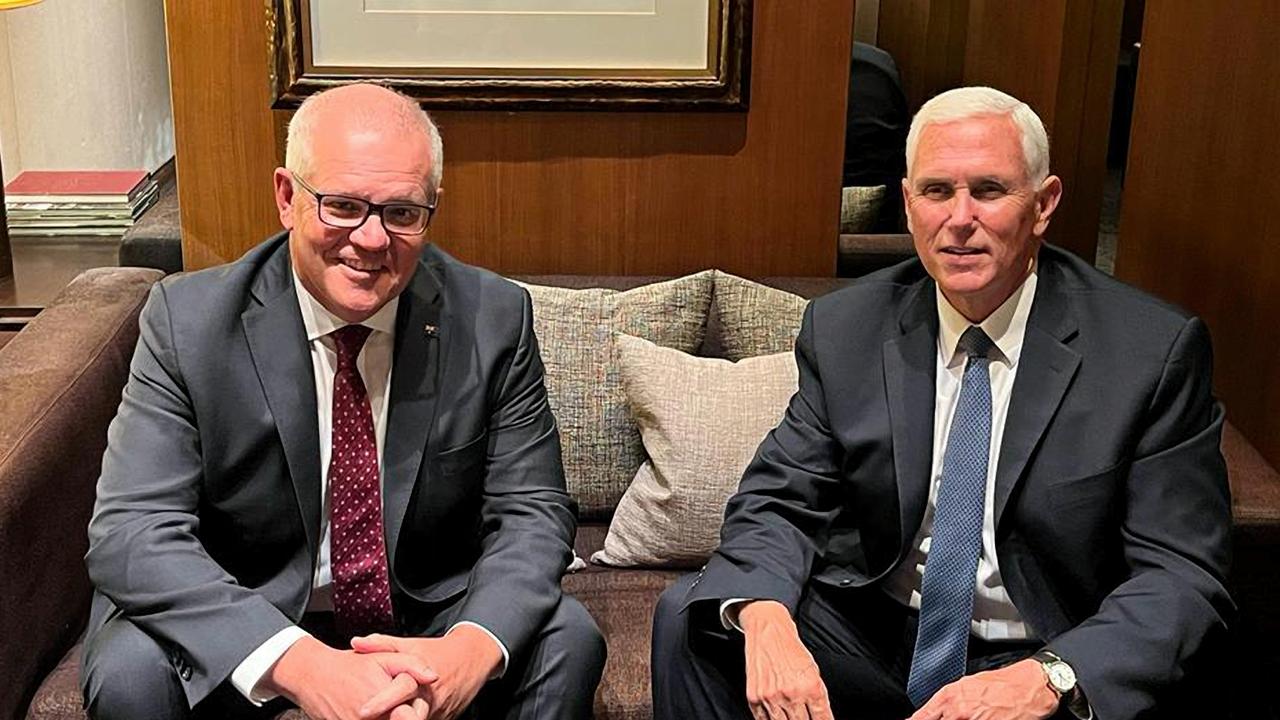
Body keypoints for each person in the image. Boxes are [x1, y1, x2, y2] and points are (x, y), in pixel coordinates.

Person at [652, 86, 1232, 720]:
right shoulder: (848, 328)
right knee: (694, 618)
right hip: (883, 639)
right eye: (936, 192)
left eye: (988, 191)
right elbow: (779, 499)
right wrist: (764, 618)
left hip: (1050, 648)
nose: (959, 218)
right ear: (907, 205)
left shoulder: (1150, 351)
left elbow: (1180, 574)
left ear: (1043, 205)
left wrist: (1050, 677)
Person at [80, 83, 605, 720]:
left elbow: (533, 511)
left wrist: (465, 651)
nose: (372, 238)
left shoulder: (492, 318)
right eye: (344, 206)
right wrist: (300, 663)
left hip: (423, 614)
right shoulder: (188, 323)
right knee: (129, 666)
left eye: (401, 212)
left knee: (567, 639)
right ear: (286, 197)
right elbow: (132, 532)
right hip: (252, 607)